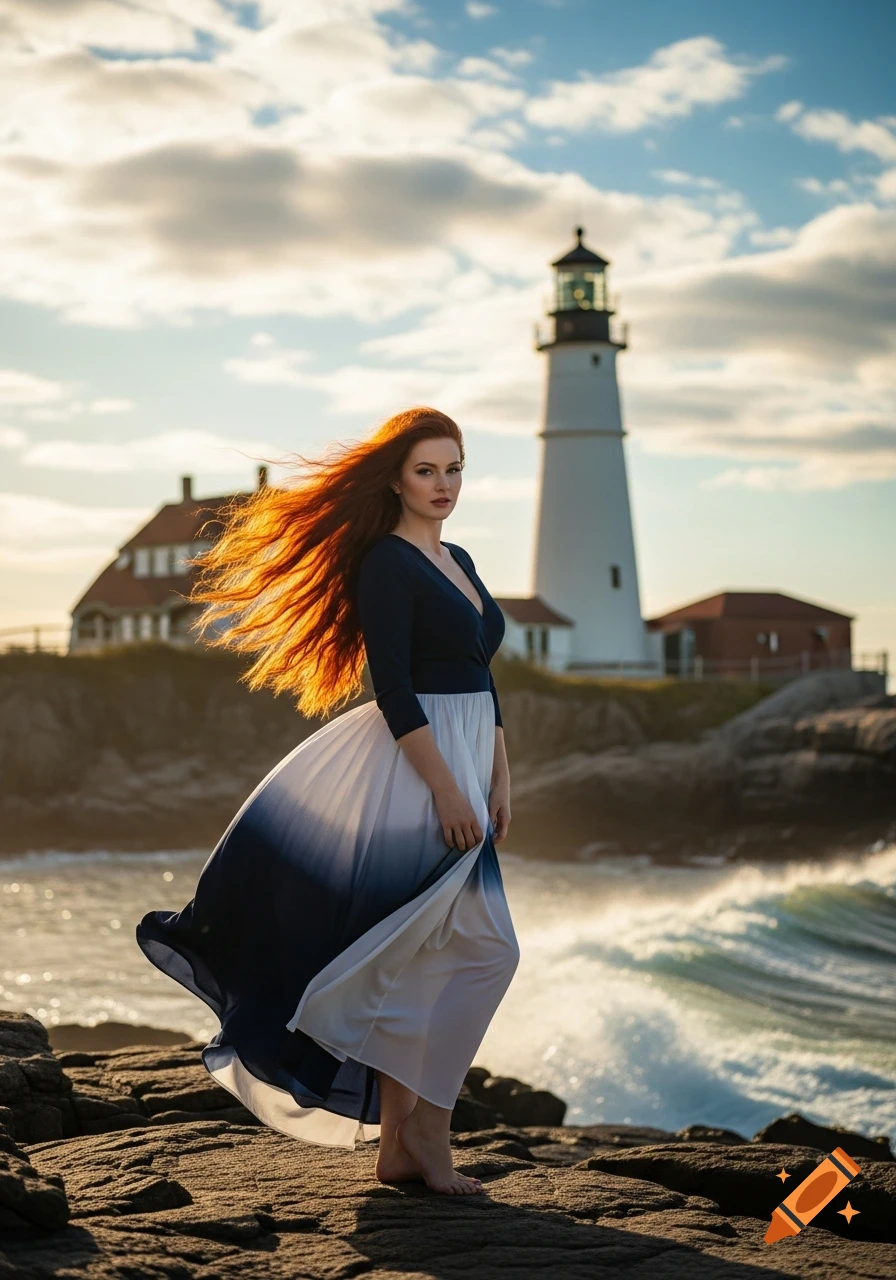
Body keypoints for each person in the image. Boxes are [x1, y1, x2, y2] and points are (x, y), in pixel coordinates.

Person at [135, 406, 519, 1197]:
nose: (443, 485)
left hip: (471, 758)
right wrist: (448, 785)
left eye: (455, 468)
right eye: (426, 470)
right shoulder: (386, 563)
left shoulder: (461, 558)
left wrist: (499, 772)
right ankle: (428, 1145)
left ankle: (401, 1151)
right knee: (480, 952)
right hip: (419, 769)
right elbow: (394, 686)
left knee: (435, 956)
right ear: (395, 479)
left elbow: (480, 672)